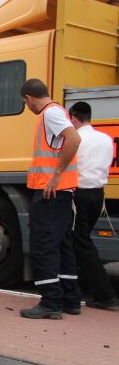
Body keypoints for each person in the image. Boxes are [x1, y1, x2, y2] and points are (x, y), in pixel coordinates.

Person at [19, 78, 82, 319]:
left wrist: (55, 175)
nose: (27, 107)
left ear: (29, 98)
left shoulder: (49, 114)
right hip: (63, 193)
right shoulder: (58, 111)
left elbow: (74, 139)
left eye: (25, 103)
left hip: (50, 193)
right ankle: (70, 299)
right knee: (63, 247)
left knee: (43, 247)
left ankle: (51, 302)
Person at [68, 101, 119, 310]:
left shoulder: (76, 138)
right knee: (81, 242)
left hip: (79, 194)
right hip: (98, 195)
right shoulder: (106, 139)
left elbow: (68, 163)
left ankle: (105, 295)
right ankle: (78, 284)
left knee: (81, 243)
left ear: (72, 117)